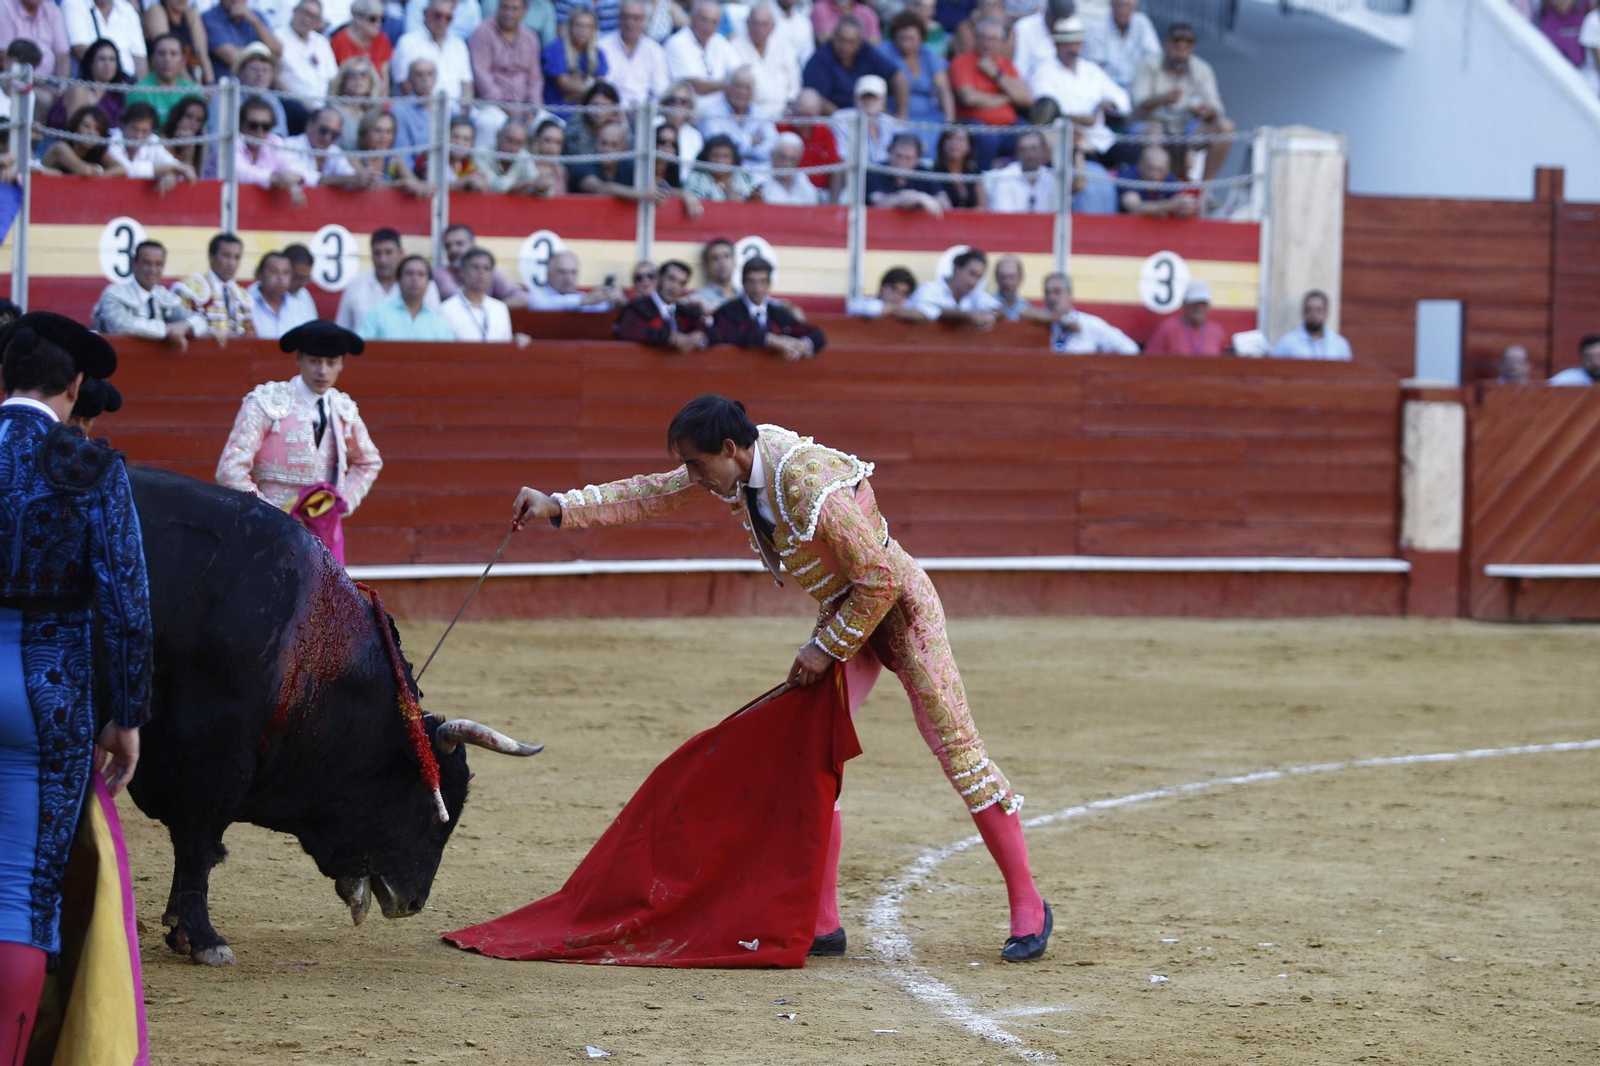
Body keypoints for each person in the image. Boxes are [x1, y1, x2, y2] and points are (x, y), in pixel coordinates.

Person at [509, 395, 1052, 962]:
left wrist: (824, 647)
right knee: (811, 754)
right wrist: (559, 506)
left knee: (957, 749)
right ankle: (823, 922)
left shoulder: (802, 479)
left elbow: (881, 579)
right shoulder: (739, 466)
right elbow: (657, 492)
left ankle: (1029, 905)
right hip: (845, 614)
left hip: (902, 611)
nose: (691, 476)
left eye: (696, 464)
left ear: (728, 449)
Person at [0, 313, 152, 1061]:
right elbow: (125, 602)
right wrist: (126, 715)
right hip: (45, 691)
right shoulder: (89, 465)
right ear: (75, 387)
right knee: (22, 891)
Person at [216, 320, 382, 563]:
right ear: (299, 359)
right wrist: (269, 513)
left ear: (342, 365)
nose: (323, 371)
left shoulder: (344, 410)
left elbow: (369, 461)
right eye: (315, 361)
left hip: (324, 534)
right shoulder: (265, 402)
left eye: (331, 363)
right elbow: (229, 470)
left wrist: (339, 503)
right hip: (268, 532)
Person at [1132, 22, 1234, 183]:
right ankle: (1159, 194)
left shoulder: (1201, 69)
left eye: (1186, 49)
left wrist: (1206, 112)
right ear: (1167, 45)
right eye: (1177, 48)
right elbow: (1138, 104)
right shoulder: (1148, 64)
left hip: (1187, 128)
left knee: (1225, 127)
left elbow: (1217, 108)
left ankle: (1205, 189)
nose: (1181, 54)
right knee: (1154, 135)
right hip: (1152, 125)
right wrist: (1163, 98)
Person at [1028, 16, 1128, 163]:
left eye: (1076, 43)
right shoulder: (1043, 71)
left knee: (1130, 151)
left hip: (1098, 138)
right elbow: (1047, 110)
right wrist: (1082, 118)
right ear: (1056, 44)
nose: (1072, 49)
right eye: (1067, 44)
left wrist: (1109, 104)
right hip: (1064, 139)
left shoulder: (1091, 70)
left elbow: (1123, 99)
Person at [92, 239, 209, 348]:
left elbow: (202, 321)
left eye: (158, 264)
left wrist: (186, 326)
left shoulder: (164, 296)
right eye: (146, 263)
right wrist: (167, 330)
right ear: (134, 263)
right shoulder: (114, 294)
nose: (152, 270)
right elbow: (121, 326)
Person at [710, 257, 826, 358]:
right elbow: (727, 333)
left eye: (762, 281)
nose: (757, 288)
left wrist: (803, 345)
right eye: (751, 281)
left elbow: (816, 334)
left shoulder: (778, 313)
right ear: (743, 283)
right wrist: (770, 339)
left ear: (769, 284)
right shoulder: (728, 310)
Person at [469, 0, 543, 147]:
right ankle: (485, 168)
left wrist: (533, 109)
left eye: (515, 9)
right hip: (491, 105)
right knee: (491, 123)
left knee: (549, 125)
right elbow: (481, 74)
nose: (509, 13)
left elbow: (535, 78)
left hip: (524, 106)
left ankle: (539, 169)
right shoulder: (483, 32)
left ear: (524, 11)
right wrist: (506, 107)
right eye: (505, 7)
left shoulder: (530, 37)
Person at [336, 227, 443, 330]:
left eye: (389, 252)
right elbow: (342, 328)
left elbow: (436, 327)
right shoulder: (355, 285)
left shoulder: (424, 285)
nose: (383, 260)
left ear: (401, 253)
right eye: (377, 253)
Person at [878, 10, 952, 155]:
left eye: (911, 38)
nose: (906, 43)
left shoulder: (928, 55)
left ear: (921, 38)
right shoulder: (884, 52)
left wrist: (950, 122)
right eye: (901, 38)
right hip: (896, 116)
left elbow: (943, 89)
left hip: (930, 117)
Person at [802, 15, 908, 116]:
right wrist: (844, 118)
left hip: (867, 115)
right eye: (842, 40)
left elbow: (899, 78)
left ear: (859, 42)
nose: (845, 46)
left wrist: (901, 116)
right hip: (834, 121)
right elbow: (816, 98)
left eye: (851, 42)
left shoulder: (866, 52)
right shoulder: (821, 58)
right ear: (834, 36)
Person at [613, 258, 710, 350]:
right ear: (658, 278)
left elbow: (708, 330)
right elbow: (626, 330)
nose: (675, 287)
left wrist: (700, 335)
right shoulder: (637, 306)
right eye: (671, 279)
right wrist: (670, 338)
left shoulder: (685, 310)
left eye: (681, 283)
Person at [441, 247, 531, 344]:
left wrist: (515, 340)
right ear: (463, 272)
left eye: (486, 268)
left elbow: (506, 346)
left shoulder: (500, 308)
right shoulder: (446, 309)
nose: (481, 272)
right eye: (475, 267)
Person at [174, 231, 254, 338]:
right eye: (226, 256)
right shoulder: (190, 288)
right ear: (211, 257)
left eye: (237, 257)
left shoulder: (243, 295)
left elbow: (249, 336)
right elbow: (179, 329)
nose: (232, 263)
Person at [357, 255, 457, 340]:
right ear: (398, 280)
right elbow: (363, 353)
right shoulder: (377, 315)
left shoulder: (439, 322)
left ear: (428, 283)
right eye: (409, 273)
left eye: (421, 274)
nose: (415, 279)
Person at [105, 102, 196, 194]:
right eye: (134, 129)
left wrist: (171, 173)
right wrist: (171, 168)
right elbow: (127, 170)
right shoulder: (111, 138)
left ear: (151, 131)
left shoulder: (152, 140)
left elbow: (173, 165)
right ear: (124, 125)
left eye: (145, 131)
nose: (138, 136)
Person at [1036, 271, 1138, 353]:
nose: (1051, 297)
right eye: (1047, 292)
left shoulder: (1090, 324)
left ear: (1069, 293)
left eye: (1057, 291)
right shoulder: (1040, 324)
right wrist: (1063, 320)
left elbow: (1130, 348)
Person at [731, 2, 801, 119]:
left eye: (764, 25)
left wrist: (789, 109)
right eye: (755, 24)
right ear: (748, 23)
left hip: (784, 115)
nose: (759, 30)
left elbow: (794, 85)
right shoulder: (734, 47)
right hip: (749, 115)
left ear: (772, 26)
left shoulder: (785, 49)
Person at [0, 0, 70, 117]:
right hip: (13, 79)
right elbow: (5, 57)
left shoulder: (52, 10)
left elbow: (63, 55)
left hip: (50, 82)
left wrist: (61, 87)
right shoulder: (5, 6)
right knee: (44, 98)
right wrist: (44, 87)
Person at [904, 247, 1002, 329]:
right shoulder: (929, 289)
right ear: (957, 269)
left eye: (978, 277)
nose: (974, 282)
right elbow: (930, 310)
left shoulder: (975, 294)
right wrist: (969, 315)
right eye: (971, 274)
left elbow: (999, 309)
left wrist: (991, 316)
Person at [698, 66, 779, 166]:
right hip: (723, 171)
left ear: (752, 93)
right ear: (727, 88)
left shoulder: (761, 113)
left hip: (757, 170)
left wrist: (745, 150)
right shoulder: (711, 112)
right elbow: (718, 147)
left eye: (746, 87)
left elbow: (772, 145)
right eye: (737, 86)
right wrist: (751, 141)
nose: (741, 91)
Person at [393, 0, 475, 99]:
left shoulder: (459, 45)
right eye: (437, 15)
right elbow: (403, 85)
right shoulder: (407, 42)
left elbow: (466, 83)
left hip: (456, 109)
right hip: (419, 108)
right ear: (426, 13)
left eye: (448, 18)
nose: (442, 21)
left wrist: (464, 110)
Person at [234, 95, 307, 204]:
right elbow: (241, 174)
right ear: (241, 125)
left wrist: (292, 182)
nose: (259, 131)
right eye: (253, 125)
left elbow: (296, 169)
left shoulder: (274, 141)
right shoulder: (232, 142)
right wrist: (277, 178)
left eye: (266, 126)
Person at [665, 0, 739, 107]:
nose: (708, 26)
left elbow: (740, 70)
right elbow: (697, 86)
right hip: (691, 112)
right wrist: (731, 84)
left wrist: (735, 83)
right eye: (704, 20)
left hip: (722, 111)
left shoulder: (719, 40)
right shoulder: (677, 42)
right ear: (692, 18)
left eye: (713, 22)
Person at [435, 223, 528, 307]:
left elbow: (522, 297)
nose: (453, 250)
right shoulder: (441, 273)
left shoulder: (488, 271)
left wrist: (496, 309)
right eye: (448, 246)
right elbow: (458, 299)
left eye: (459, 244)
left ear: (474, 246)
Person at [599, 0, 670, 109]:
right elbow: (601, 88)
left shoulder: (655, 51)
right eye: (626, 17)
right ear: (619, 19)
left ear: (644, 21)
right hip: (610, 112)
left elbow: (661, 91)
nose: (630, 23)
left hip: (645, 114)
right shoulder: (602, 47)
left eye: (636, 18)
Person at [46, 37, 127, 132]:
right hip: (64, 144)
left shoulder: (120, 91)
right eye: (102, 59)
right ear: (91, 63)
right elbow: (74, 130)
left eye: (112, 59)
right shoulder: (79, 89)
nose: (107, 64)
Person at [351, 108, 436, 196]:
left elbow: (413, 182)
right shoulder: (355, 157)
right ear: (365, 133)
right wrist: (401, 184)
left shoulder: (393, 158)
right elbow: (371, 186)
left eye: (389, 131)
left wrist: (425, 187)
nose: (384, 137)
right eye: (378, 130)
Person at [1084, 0, 1159, 98]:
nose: (1122, 10)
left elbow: (1154, 55)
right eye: (1119, 5)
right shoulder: (1097, 28)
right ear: (1111, 6)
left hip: (1137, 87)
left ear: (1134, 8)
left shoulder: (1142, 23)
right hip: (1107, 88)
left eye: (1127, 6)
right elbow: (1094, 67)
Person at [777, 88, 842, 199]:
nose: (804, 120)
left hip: (821, 194)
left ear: (817, 114)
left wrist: (833, 204)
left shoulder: (825, 132)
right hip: (787, 192)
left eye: (809, 116)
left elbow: (836, 167)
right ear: (793, 109)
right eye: (801, 114)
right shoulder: (781, 127)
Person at [542, 2, 608, 107]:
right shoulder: (556, 48)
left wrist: (576, 95)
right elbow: (564, 84)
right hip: (557, 109)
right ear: (570, 26)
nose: (582, 31)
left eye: (588, 27)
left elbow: (600, 86)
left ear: (594, 30)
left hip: (585, 112)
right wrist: (591, 92)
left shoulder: (598, 53)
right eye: (578, 25)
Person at [62, 0, 147, 80]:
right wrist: (116, 78)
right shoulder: (74, 3)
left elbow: (140, 58)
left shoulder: (127, 10)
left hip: (127, 85)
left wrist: (141, 91)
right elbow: (80, 50)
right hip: (92, 85)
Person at [125, 34, 198, 126]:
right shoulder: (139, 92)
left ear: (183, 60)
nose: (167, 59)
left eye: (173, 54)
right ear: (152, 58)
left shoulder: (194, 92)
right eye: (161, 53)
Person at [39, 105, 127, 179]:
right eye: (86, 126)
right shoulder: (61, 147)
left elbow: (122, 169)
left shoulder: (97, 152)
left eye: (97, 129)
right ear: (76, 127)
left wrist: (101, 174)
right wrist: (98, 170)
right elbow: (85, 170)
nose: (91, 132)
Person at [276, 0, 337, 106]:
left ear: (318, 22)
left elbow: (333, 77)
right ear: (294, 11)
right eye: (304, 13)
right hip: (292, 104)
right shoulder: (277, 37)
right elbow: (276, 77)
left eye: (313, 17)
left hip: (324, 107)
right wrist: (302, 106)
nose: (307, 19)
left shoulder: (321, 42)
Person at [868, 131, 942, 216]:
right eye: (898, 156)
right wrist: (904, 199)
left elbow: (945, 203)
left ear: (917, 158)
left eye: (908, 158)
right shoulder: (876, 171)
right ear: (889, 151)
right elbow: (878, 202)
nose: (902, 162)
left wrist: (921, 197)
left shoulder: (923, 172)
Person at [1144, 279, 1227, 356]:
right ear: (1184, 304)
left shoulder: (1216, 331)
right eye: (1194, 304)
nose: (1198, 308)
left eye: (1202, 304)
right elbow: (1150, 361)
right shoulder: (1168, 329)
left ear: (1208, 306)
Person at [142, 0, 214, 86]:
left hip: (192, 80)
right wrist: (193, 89)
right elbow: (169, 55)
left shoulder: (191, 14)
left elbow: (202, 53)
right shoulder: (156, 11)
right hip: (163, 83)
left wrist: (210, 83)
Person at [247, 250, 316, 339]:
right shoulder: (245, 304)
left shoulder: (300, 308)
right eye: (274, 271)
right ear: (260, 274)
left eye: (286, 272)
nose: (280, 277)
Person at [527, 250, 626, 311]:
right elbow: (541, 304)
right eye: (562, 272)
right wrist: (584, 300)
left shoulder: (582, 298)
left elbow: (604, 307)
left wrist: (617, 300)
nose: (568, 277)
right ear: (549, 274)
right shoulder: (537, 296)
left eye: (573, 272)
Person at [202, 0, 284, 73]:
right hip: (230, 83)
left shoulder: (256, 16)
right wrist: (264, 52)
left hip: (262, 84)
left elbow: (277, 51)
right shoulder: (210, 18)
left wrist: (254, 21)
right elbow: (232, 57)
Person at [985, 128, 1055, 214]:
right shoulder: (1004, 178)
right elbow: (1004, 218)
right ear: (1017, 153)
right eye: (1023, 149)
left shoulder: (1053, 178)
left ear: (1044, 151)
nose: (1029, 155)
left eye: (1034, 149)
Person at [1116, 143, 1196, 217]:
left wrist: (1185, 206)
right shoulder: (1128, 176)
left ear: (1167, 170)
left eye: (1160, 170)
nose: (1154, 175)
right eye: (1150, 168)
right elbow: (1134, 208)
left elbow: (1180, 202)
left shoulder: (1169, 178)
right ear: (1140, 164)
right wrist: (1170, 205)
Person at [1270, 290, 1352, 361]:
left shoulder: (1339, 344)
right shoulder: (1288, 342)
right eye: (1309, 310)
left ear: (1326, 313)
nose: (1313, 314)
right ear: (1303, 312)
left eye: (1318, 310)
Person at [330, 0, 393, 89]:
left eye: (382, 19)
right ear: (358, 18)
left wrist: (381, 101)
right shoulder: (339, 41)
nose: (378, 24)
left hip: (376, 97)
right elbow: (336, 79)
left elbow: (384, 78)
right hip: (346, 97)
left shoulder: (382, 39)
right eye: (373, 19)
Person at [684, 134, 763, 202]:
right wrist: (726, 203)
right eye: (715, 155)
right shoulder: (696, 178)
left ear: (733, 159)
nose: (720, 160)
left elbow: (756, 200)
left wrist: (754, 199)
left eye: (726, 156)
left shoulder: (744, 177)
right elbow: (693, 204)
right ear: (706, 157)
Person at [476, 118, 546, 193]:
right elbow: (492, 184)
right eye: (510, 140)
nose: (513, 147)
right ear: (498, 135)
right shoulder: (481, 153)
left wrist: (544, 185)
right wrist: (529, 184)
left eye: (519, 143)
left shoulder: (524, 156)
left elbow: (536, 183)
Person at [327, 55, 383, 148]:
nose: (358, 78)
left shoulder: (377, 112)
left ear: (371, 81)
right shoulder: (333, 112)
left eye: (364, 74)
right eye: (352, 74)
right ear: (343, 81)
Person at [931, 125, 986, 210]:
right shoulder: (933, 173)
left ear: (969, 147)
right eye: (950, 138)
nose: (955, 143)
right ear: (943, 144)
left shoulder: (974, 175)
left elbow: (983, 207)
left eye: (960, 139)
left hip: (972, 222)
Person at [759, 130, 819, 204]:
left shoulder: (802, 179)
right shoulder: (760, 178)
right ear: (773, 156)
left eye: (792, 159)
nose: (787, 164)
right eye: (782, 157)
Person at [162, 94, 209, 179]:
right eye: (189, 116)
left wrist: (189, 146)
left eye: (198, 120)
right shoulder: (162, 140)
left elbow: (191, 179)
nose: (193, 123)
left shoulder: (203, 143)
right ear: (178, 116)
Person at [846, 265, 919, 319]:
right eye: (894, 289)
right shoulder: (860, 303)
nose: (897, 296)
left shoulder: (910, 306)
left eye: (903, 293)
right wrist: (896, 310)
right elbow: (870, 309)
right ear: (883, 288)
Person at [691, 237, 740, 310]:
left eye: (726, 256)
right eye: (715, 258)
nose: (722, 263)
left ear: (734, 262)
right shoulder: (699, 298)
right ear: (707, 266)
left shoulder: (745, 295)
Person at [812, 0, 879, 43]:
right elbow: (824, 40)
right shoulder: (821, 8)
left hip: (862, 61)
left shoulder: (867, 13)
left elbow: (874, 42)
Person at [283, 242, 318, 321]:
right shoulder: (254, 297)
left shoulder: (303, 294)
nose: (303, 284)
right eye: (298, 278)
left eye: (307, 278)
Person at [990, 254, 1031, 321]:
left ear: (1020, 278)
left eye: (1012, 277)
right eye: (1003, 277)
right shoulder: (986, 306)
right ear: (996, 278)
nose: (1007, 282)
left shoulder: (1027, 308)